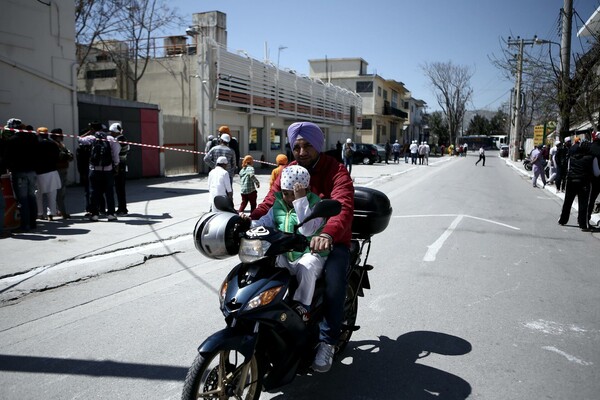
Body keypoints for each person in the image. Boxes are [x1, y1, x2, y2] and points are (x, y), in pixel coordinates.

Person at [251, 121, 354, 373]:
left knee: (334, 278)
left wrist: (328, 234)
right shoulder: (289, 171)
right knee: (261, 265)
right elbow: (269, 203)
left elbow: (342, 208)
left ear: (318, 145)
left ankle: (328, 340)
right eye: (297, 147)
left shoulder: (336, 171)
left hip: (329, 241)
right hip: (292, 240)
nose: (301, 152)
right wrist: (246, 219)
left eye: (307, 145)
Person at [247, 165, 327, 322]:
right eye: (286, 194)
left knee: (306, 266)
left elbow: (307, 229)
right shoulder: (278, 205)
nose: (290, 198)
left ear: (306, 190)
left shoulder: (315, 205)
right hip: (286, 254)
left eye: (294, 194)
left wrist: (301, 201)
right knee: (265, 262)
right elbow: (265, 222)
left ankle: (303, 305)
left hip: (311, 254)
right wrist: (247, 223)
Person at [78, 124, 121, 221]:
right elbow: (116, 153)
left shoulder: (92, 138)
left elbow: (80, 139)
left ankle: (94, 214)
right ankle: (110, 214)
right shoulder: (110, 138)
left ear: (93, 130)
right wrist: (116, 166)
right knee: (109, 192)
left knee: (93, 192)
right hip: (107, 170)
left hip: (94, 170)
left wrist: (89, 132)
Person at [558, 140, 600, 231]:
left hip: (571, 181)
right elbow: (597, 173)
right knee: (584, 204)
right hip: (584, 182)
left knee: (567, 201)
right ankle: (583, 224)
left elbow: (569, 169)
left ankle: (562, 220)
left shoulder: (572, 157)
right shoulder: (592, 158)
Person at [5, 118, 38, 232]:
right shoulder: (32, 138)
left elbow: (7, 157)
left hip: (19, 172)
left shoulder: (11, 140)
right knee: (31, 197)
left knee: (22, 199)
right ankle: (33, 222)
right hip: (32, 172)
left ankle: (25, 224)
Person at [35, 127, 61, 220]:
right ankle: (51, 213)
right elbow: (58, 156)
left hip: (39, 172)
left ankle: (40, 213)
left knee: (39, 195)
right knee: (52, 195)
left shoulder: (36, 143)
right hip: (52, 171)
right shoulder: (53, 143)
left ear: (38, 133)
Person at [50, 128, 73, 219]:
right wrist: (66, 155)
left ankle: (59, 210)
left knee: (62, 192)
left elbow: (68, 155)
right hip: (57, 170)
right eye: (60, 135)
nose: (62, 136)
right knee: (58, 192)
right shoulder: (53, 144)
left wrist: (68, 155)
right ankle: (62, 212)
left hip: (63, 169)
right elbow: (60, 156)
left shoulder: (61, 144)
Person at [109, 123, 130, 216]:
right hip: (123, 164)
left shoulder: (117, 140)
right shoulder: (124, 139)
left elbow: (114, 153)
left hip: (119, 165)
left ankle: (122, 209)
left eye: (112, 132)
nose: (110, 134)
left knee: (119, 188)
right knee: (120, 188)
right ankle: (122, 208)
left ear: (115, 132)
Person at [587, 131, 600, 222]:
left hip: (590, 177)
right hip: (597, 176)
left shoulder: (589, 147)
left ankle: (586, 217)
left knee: (590, 198)